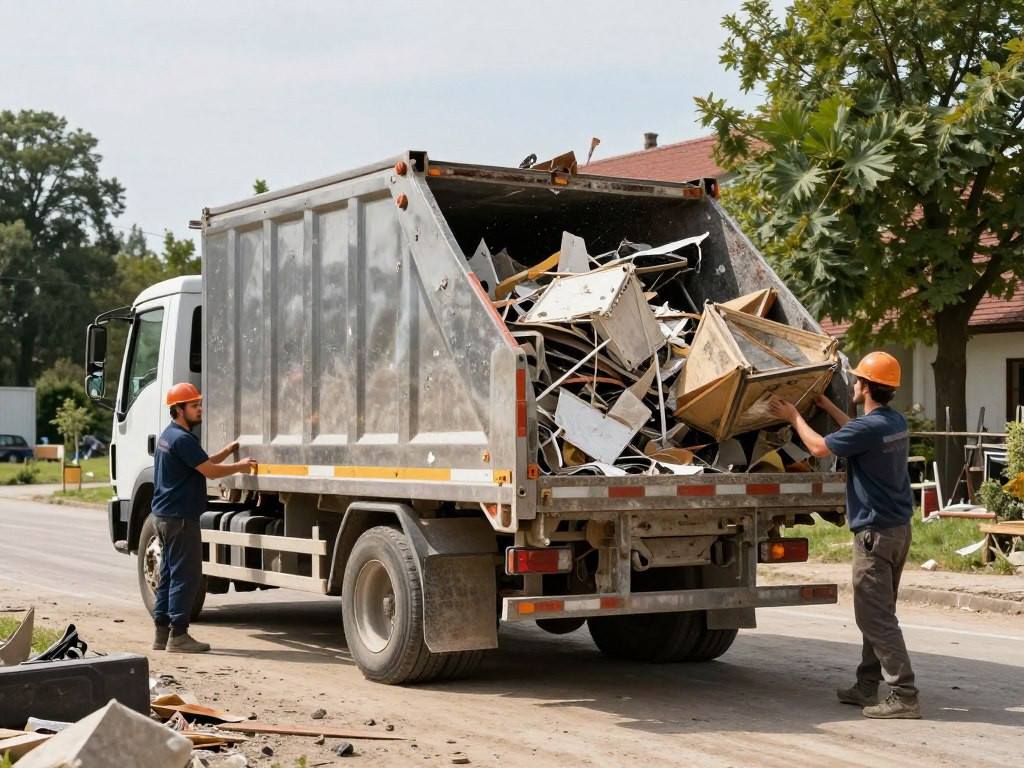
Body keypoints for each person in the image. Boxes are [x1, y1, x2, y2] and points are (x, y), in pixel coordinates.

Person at [768, 351, 920, 720]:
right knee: (879, 611)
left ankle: (905, 695)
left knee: (874, 617)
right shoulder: (892, 422)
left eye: (856, 380)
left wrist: (795, 417)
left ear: (866, 387)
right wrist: (826, 406)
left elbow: (820, 447)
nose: (852, 384)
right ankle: (867, 686)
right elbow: (852, 433)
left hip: (875, 535)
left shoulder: (869, 428)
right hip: (898, 530)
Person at [151, 382, 257, 653]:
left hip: (164, 515)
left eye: (200, 404)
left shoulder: (169, 436)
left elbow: (201, 462)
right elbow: (210, 471)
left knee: (168, 574)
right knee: (187, 576)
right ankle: (179, 636)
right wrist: (242, 466)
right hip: (181, 516)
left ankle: (162, 633)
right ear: (178, 409)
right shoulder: (183, 439)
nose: (200, 410)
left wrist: (226, 451)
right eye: (194, 405)